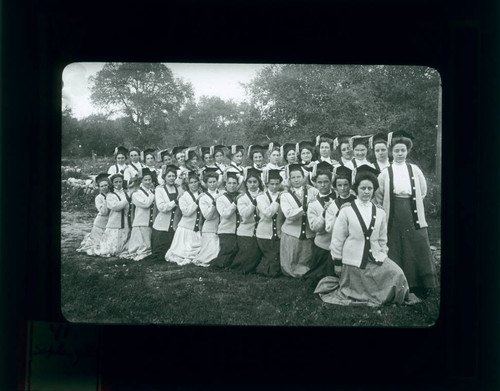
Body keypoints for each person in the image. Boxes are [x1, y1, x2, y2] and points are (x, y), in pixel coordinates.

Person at [315, 165, 413, 307]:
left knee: (397, 274)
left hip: (375, 256)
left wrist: (383, 257)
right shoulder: (346, 210)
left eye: (370, 188)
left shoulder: (380, 212)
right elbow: (337, 239)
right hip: (353, 260)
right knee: (360, 288)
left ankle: (386, 295)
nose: (366, 192)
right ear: (356, 190)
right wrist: (337, 262)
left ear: (374, 190)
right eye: (363, 188)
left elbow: (382, 239)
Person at [374, 131, 438, 297]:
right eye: (396, 151)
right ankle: (400, 282)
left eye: (403, 150)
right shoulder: (385, 173)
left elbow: (422, 191)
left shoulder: (414, 169)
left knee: (417, 241)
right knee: (396, 244)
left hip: (413, 212)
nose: (400, 154)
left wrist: (412, 203)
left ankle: (423, 282)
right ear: (391, 152)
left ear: (407, 151)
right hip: (394, 214)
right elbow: (379, 195)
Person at [279, 163, 319, 277]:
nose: (296, 180)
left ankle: (305, 272)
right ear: (289, 179)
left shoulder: (313, 191)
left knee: (306, 255)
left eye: (298, 177)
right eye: (293, 178)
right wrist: (305, 207)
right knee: (292, 257)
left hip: (308, 231)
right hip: (292, 231)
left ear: (303, 177)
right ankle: (291, 272)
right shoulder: (285, 195)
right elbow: (289, 214)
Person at [304, 162, 336, 285]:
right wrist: (324, 213)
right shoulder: (312, 204)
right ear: (315, 184)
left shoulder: (339, 197)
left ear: (331, 182)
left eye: (326, 182)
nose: (323, 185)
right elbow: (315, 228)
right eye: (320, 182)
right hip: (323, 245)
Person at [231, 168, 264, 273]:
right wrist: (254, 202)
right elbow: (244, 214)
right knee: (247, 257)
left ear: (259, 182)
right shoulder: (242, 198)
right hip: (246, 230)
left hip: (262, 230)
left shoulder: (264, 195)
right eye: (250, 182)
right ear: (246, 184)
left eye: (255, 182)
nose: (253, 184)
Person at [165, 171, 203, 265]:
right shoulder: (184, 196)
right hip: (186, 228)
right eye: (191, 182)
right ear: (187, 184)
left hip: (197, 228)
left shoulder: (202, 194)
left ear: (198, 182)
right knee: (182, 252)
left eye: (195, 182)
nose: (194, 184)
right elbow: (186, 212)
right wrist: (197, 202)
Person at [120, 168, 156, 261]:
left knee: (148, 240)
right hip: (141, 220)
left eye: (149, 180)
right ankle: (139, 251)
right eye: (145, 180)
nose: (148, 182)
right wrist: (152, 194)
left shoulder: (152, 191)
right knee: (140, 242)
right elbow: (145, 204)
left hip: (150, 220)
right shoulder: (136, 193)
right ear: (141, 181)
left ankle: (147, 251)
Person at [151, 164, 182, 261]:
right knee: (160, 253)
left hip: (175, 223)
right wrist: (175, 202)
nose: (172, 178)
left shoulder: (179, 188)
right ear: (164, 177)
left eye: (173, 176)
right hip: (162, 225)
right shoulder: (159, 189)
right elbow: (161, 207)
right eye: (169, 176)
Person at [255, 169, 284, 277]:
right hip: (264, 232)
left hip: (278, 232)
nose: (275, 187)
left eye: (277, 184)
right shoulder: (260, 197)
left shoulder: (282, 194)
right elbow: (268, 213)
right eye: (272, 184)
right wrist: (277, 201)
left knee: (276, 256)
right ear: (266, 184)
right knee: (271, 257)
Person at [210, 172, 240, 268]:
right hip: (227, 230)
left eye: (234, 183)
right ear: (225, 185)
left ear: (237, 184)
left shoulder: (241, 195)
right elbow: (225, 214)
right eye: (229, 183)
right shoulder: (221, 198)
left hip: (240, 230)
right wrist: (235, 203)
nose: (232, 185)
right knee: (227, 252)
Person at [98, 173, 132, 257]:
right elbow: (116, 207)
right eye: (116, 182)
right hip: (115, 221)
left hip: (126, 220)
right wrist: (127, 200)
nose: (118, 184)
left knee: (125, 237)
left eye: (120, 182)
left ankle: (123, 249)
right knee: (114, 241)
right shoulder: (110, 195)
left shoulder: (125, 192)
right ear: (112, 184)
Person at [77, 173, 110, 256]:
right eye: (102, 186)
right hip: (101, 223)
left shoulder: (112, 194)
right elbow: (103, 212)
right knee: (97, 243)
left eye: (106, 185)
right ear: (99, 188)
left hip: (111, 222)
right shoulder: (99, 198)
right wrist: (107, 200)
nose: (104, 187)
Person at [192, 169, 221, 267]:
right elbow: (207, 216)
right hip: (210, 227)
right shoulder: (203, 197)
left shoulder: (222, 193)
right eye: (210, 182)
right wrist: (214, 204)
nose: (212, 184)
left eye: (214, 181)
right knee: (209, 254)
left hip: (222, 226)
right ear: (206, 183)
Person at [325, 165, 356, 233]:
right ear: (335, 187)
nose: (342, 188)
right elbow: (329, 229)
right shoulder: (332, 205)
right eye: (339, 185)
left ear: (350, 185)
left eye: (345, 185)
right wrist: (339, 213)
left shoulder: (357, 201)